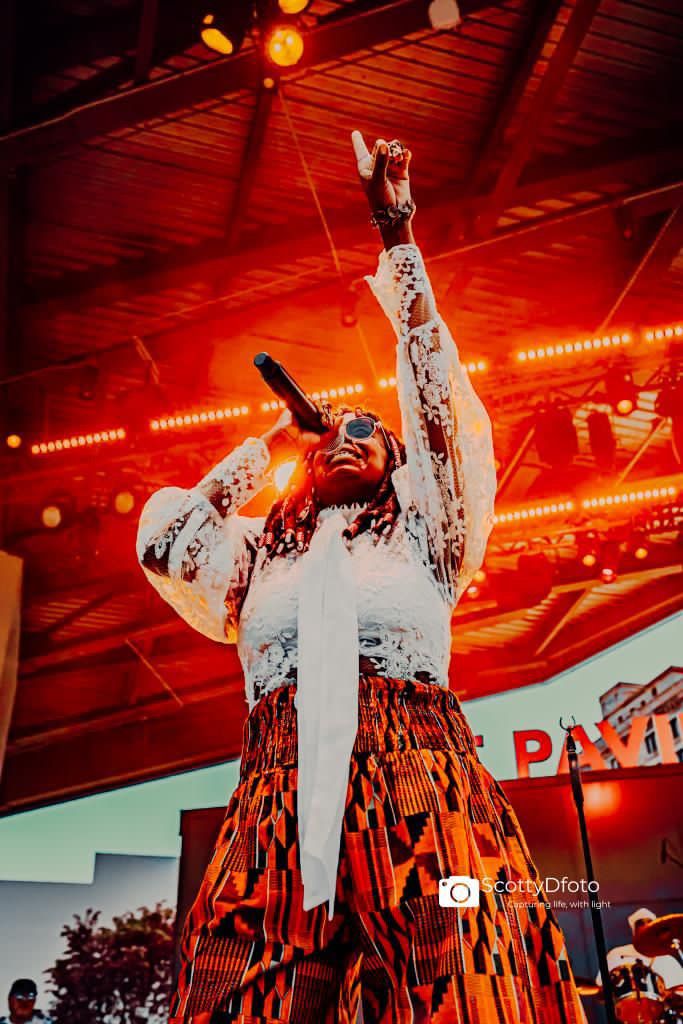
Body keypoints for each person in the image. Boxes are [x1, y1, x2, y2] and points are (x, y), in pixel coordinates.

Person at [137, 131, 587, 1023]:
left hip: (419, 774)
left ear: (397, 462)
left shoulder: (429, 532)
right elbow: (166, 547)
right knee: (236, 983)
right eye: (330, 434)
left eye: (366, 432)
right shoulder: (260, 551)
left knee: (451, 977)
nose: (345, 437)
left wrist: (396, 232)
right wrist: (270, 442)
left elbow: (433, 397)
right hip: (278, 781)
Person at [596, 907, 683, 991]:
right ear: (634, 932)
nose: (646, 927)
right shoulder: (617, 953)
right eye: (641, 924)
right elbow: (601, 985)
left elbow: (679, 991)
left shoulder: (668, 960)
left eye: (650, 924)